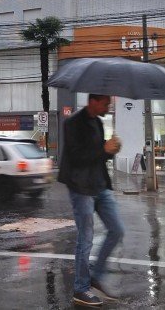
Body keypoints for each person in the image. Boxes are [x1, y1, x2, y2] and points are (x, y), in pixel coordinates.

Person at [58, 94, 124, 307]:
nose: (109, 106)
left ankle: (94, 276)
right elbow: (76, 158)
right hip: (81, 188)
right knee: (86, 238)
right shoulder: (72, 123)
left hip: (100, 186)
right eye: (106, 103)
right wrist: (103, 149)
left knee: (117, 230)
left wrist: (111, 150)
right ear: (94, 101)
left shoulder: (97, 121)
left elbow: (99, 155)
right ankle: (80, 288)